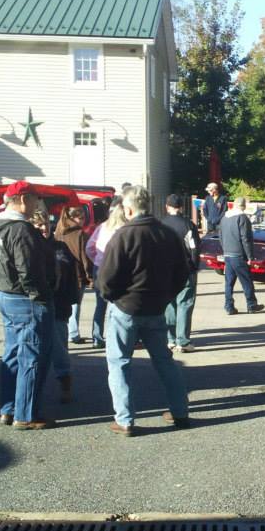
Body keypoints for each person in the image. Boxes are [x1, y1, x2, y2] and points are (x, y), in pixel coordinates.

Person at [98, 186, 190, 437]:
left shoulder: (123, 236)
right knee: (164, 361)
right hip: (156, 308)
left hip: (126, 308)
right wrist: (166, 296)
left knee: (119, 362)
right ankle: (180, 410)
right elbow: (183, 271)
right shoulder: (168, 235)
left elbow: (106, 279)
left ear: (128, 209)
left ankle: (125, 420)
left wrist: (113, 297)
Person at [0, 180, 54, 430]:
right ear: (23, 199)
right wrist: (42, 296)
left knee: (13, 353)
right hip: (26, 299)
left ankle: (8, 408)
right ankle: (26, 414)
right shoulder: (21, 230)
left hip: (6, 294)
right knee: (32, 355)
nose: (37, 203)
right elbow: (29, 270)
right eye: (35, 198)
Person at [32, 209, 79, 404]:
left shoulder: (61, 247)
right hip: (35, 306)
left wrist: (71, 300)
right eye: (38, 224)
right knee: (34, 351)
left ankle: (65, 385)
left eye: (46, 223)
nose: (44, 227)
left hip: (59, 307)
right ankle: (32, 391)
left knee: (60, 351)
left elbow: (72, 278)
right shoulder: (29, 247)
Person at [86, 202, 129, 349]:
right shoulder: (124, 229)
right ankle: (113, 337)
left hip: (99, 267)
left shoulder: (102, 227)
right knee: (115, 304)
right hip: (117, 269)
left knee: (100, 305)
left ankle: (97, 337)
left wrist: (96, 259)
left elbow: (89, 247)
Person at [161, 194, 200, 352]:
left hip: (165, 270)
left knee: (169, 304)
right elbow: (194, 248)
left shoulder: (160, 225)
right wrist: (194, 266)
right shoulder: (188, 225)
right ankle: (182, 341)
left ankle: (170, 339)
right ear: (181, 208)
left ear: (167, 206)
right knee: (185, 303)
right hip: (185, 269)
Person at [219, 197, 265, 315]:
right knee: (246, 280)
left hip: (227, 254)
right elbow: (246, 238)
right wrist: (250, 256)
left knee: (229, 282)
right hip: (239, 254)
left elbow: (220, 236)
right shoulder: (242, 218)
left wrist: (225, 249)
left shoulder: (224, 218)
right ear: (243, 206)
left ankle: (228, 306)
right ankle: (251, 304)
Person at [55, 206, 94, 344]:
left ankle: (69, 332)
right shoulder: (79, 234)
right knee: (75, 304)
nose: (83, 221)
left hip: (60, 271)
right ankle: (73, 333)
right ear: (72, 218)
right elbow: (85, 257)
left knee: (64, 303)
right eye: (80, 218)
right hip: (77, 273)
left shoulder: (59, 231)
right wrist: (90, 276)